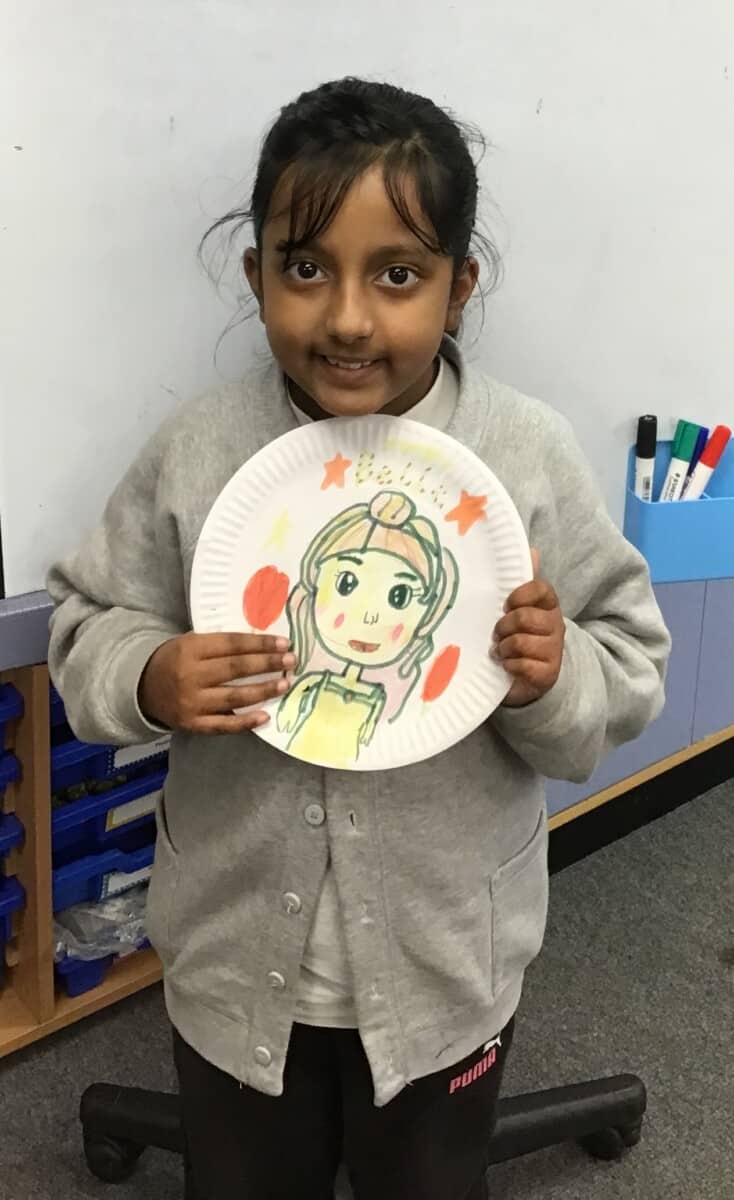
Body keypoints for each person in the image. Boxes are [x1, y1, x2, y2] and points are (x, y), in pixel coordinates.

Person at [47, 78, 671, 1200]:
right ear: (256, 277)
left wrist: (553, 674)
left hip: (447, 966)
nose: (345, 318)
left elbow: (628, 658)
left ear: (458, 287)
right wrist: (148, 673)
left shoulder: (523, 458)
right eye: (305, 268)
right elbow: (90, 618)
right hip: (235, 962)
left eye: (396, 275)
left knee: (426, 1182)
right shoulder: (202, 452)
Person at [276, 488, 458, 767]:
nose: (370, 618)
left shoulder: (381, 700)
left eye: (400, 596)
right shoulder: (315, 681)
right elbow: (294, 705)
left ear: (426, 615)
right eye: (346, 584)